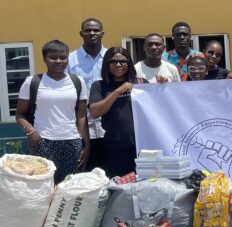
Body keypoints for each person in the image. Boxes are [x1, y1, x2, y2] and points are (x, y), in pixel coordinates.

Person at [16, 40, 90, 184]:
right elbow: (19, 114)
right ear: (44, 59)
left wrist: (86, 145)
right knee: (42, 188)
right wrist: (30, 130)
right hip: (42, 142)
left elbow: (81, 116)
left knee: (69, 189)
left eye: (63, 57)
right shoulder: (32, 82)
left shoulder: (78, 82)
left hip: (72, 143)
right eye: (53, 57)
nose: (58, 61)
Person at [88, 47, 145, 177]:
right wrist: (119, 91)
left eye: (122, 61)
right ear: (106, 65)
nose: (118, 65)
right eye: (113, 62)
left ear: (129, 63)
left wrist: (161, 86)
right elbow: (95, 112)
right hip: (116, 146)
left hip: (142, 145)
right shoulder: (99, 86)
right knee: (120, 186)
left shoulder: (140, 82)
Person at [67, 18, 107, 170]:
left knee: (111, 174)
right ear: (81, 33)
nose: (92, 33)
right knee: (83, 175)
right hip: (80, 129)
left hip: (107, 129)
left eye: (96, 30)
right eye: (88, 30)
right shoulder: (69, 60)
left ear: (102, 33)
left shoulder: (112, 58)